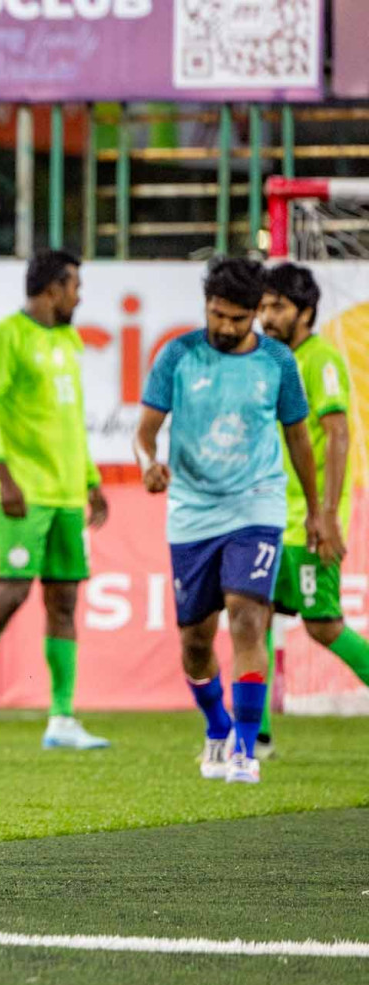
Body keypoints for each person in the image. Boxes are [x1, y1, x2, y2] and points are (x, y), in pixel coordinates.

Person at [133, 257, 333, 786]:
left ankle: (245, 748)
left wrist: (317, 511)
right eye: (217, 314)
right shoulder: (178, 355)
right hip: (193, 513)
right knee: (195, 641)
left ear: (253, 315)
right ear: (207, 306)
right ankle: (217, 726)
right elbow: (145, 431)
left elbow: (297, 439)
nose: (225, 326)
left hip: (257, 504)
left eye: (238, 318)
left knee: (248, 616)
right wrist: (147, 464)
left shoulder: (278, 362)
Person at [0, 251, 110, 751]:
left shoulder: (67, 340)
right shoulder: (5, 336)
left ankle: (61, 718)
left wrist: (92, 480)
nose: (79, 296)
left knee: (64, 601)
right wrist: (3, 475)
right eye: (74, 285)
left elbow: (70, 422)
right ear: (54, 289)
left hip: (65, 496)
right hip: (24, 493)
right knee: (12, 594)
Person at [259, 263, 366, 752]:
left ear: (305, 311)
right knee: (253, 614)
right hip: (268, 515)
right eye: (262, 306)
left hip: (307, 521)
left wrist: (325, 514)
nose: (266, 316)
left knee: (322, 624)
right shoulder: (274, 359)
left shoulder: (318, 358)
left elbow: (339, 433)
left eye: (277, 306)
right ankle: (254, 736)